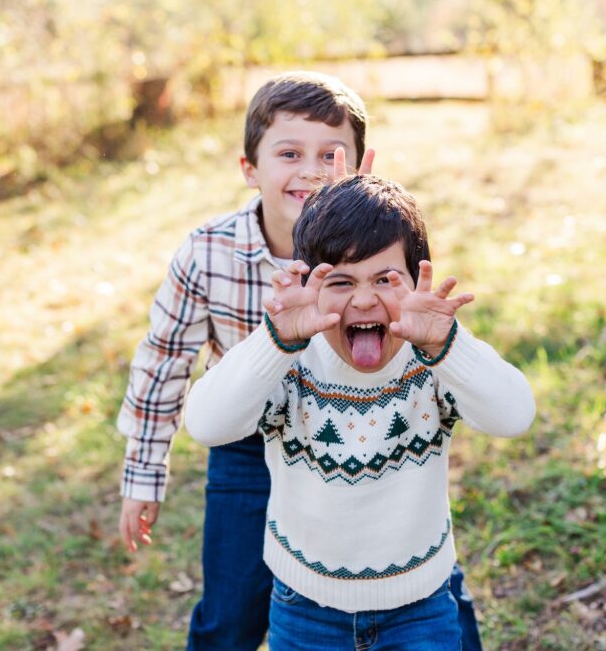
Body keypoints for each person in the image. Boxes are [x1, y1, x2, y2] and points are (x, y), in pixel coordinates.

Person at [115, 71, 482, 649]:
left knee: (432, 585)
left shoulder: (385, 243)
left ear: (363, 169)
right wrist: (143, 472)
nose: (311, 169)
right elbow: (163, 362)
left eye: (330, 154)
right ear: (249, 168)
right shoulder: (208, 253)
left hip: (362, 431)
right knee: (233, 607)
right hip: (246, 439)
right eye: (289, 153)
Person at [183, 173, 535, 650]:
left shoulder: (432, 360)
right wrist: (274, 342)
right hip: (305, 606)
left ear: (416, 280)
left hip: (421, 607)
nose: (364, 299)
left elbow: (515, 415)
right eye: (342, 281)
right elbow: (205, 424)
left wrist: (449, 345)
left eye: (385, 280)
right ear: (308, 282)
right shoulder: (288, 362)